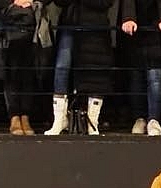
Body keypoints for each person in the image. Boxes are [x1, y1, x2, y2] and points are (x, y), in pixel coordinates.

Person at [45, 0, 113, 136]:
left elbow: (107, 2)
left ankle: (92, 122)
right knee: (62, 68)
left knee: (95, 70)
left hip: (95, 26)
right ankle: (59, 120)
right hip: (70, 23)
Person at [119, 0, 161, 136]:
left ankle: (154, 119)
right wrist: (128, 18)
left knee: (155, 77)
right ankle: (139, 119)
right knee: (136, 78)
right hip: (133, 33)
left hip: (155, 32)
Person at [0, 0, 44, 135]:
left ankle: (25, 116)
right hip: (6, 20)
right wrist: (13, 3)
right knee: (9, 71)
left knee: (29, 72)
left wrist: (31, 1)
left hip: (33, 21)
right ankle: (14, 116)